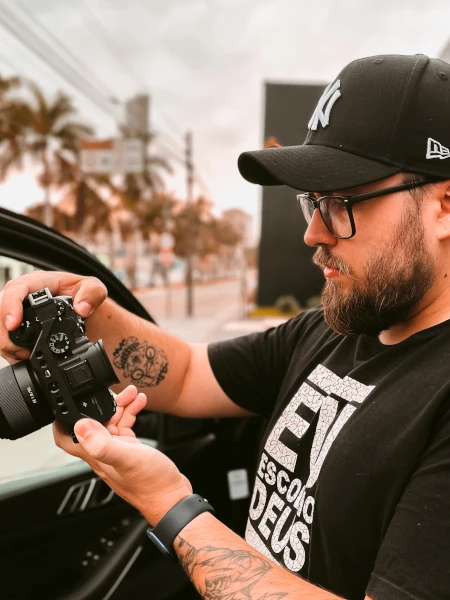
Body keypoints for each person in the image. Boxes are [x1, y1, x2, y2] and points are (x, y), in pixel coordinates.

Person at [1, 53, 450, 600]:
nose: (313, 233)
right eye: (313, 202)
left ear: (444, 205)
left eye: (340, 203)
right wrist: (83, 312)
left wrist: (169, 505)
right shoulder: (331, 331)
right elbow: (187, 373)